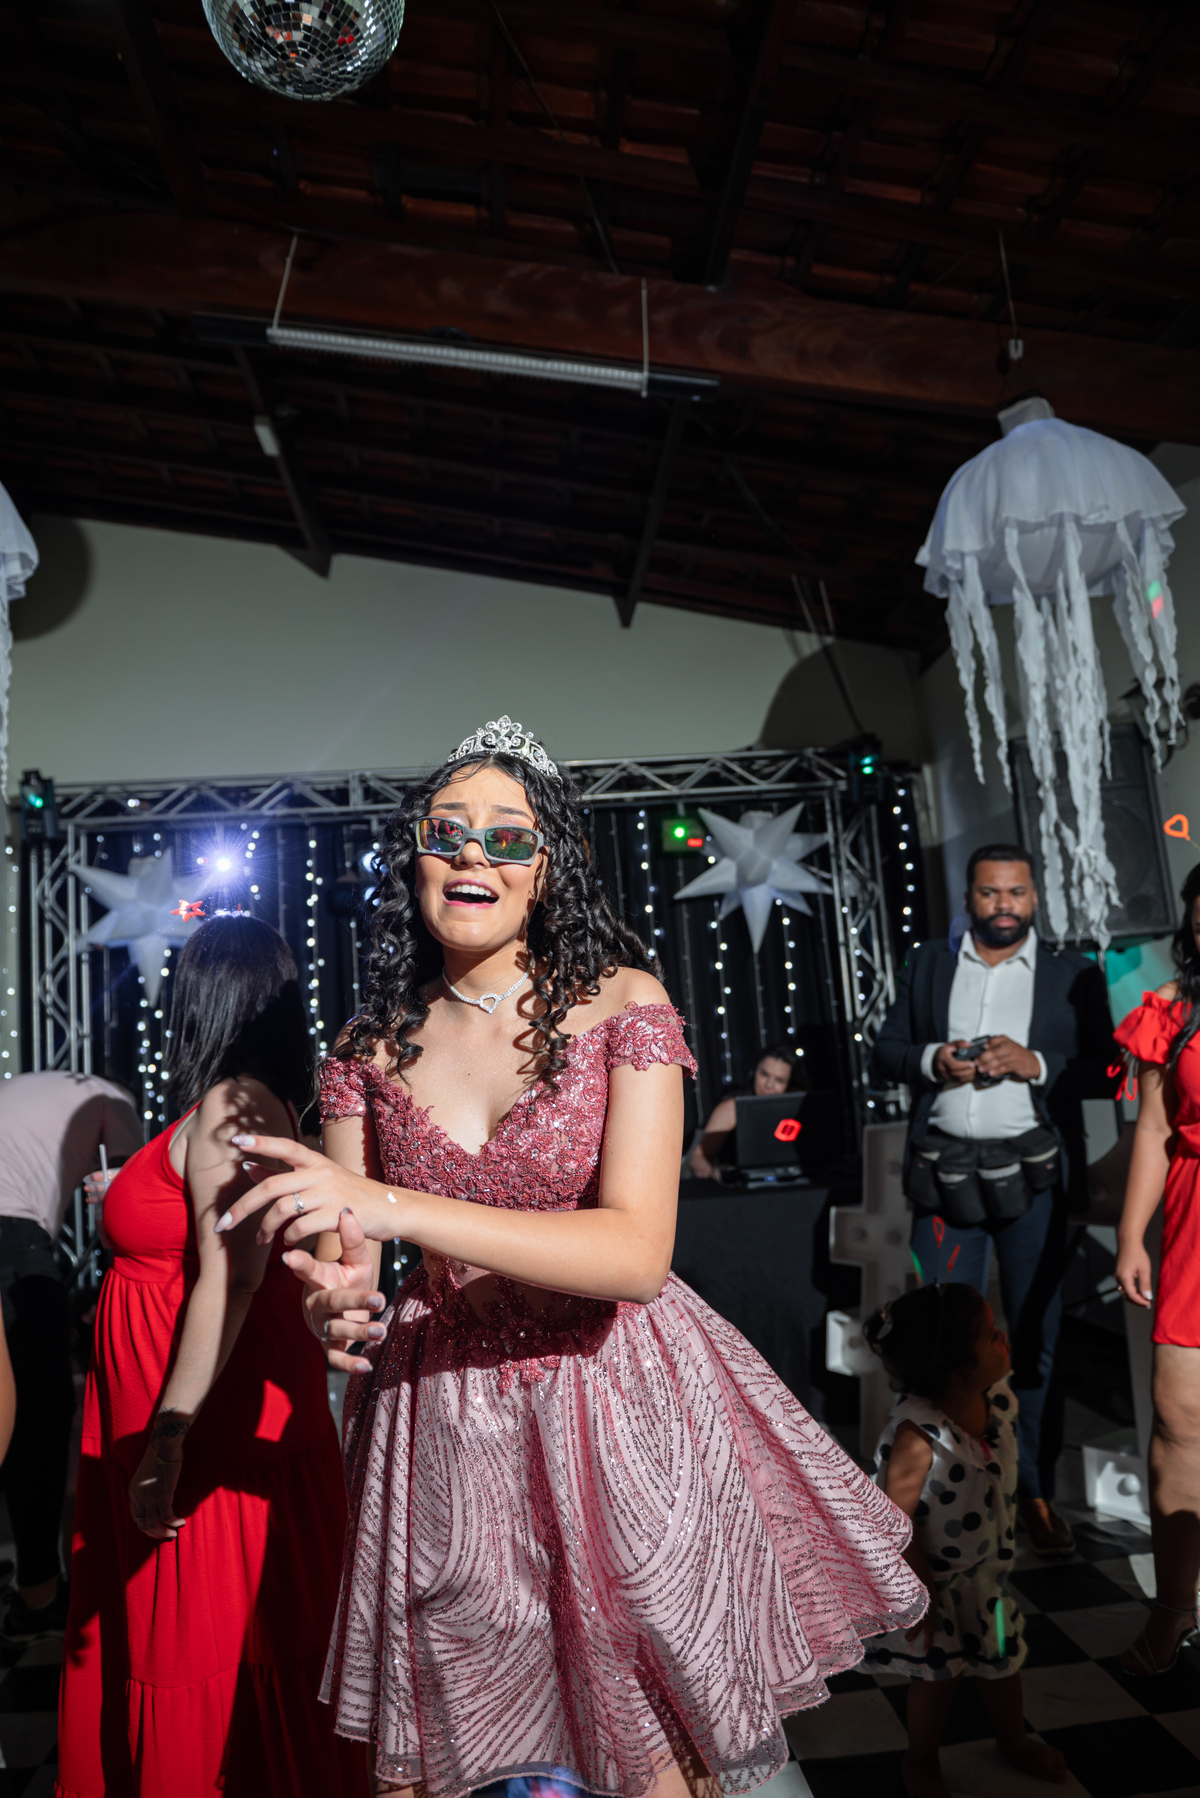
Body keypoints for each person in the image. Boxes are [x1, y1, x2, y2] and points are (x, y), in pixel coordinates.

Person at [220, 716, 927, 1798]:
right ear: (415, 857)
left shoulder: (626, 1004)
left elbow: (635, 1253)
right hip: (443, 1416)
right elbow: (349, 1254)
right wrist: (338, 1301)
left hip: (616, 1396)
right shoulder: (367, 1047)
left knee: (651, 1752)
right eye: (448, 831)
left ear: (547, 866)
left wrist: (393, 1207)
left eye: (508, 836)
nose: (474, 853)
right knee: (439, 1751)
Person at [55, 917, 365, 1798]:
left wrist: (169, 1437)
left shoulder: (240, 1103)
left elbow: (231, 1281)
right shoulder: (230, 1107)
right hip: (186, 1427)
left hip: (209, 1435)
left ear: (203, 998)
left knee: (206, 1655)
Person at [870, 844, 1120, 1558]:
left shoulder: (1074, 974)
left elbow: (1108, 1069)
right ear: (969, 899)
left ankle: (1032, 1491)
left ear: (1034, 898)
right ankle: (939, 1494)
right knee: (940, 1338)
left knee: (1035, 1334)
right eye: (989, 893)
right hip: (943, 1180)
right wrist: (933, 1059)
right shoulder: (930, 964)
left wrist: (1037, 1063)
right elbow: (885, 1052)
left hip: (1035, 1180)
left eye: (1015, 892)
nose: (1003, 905)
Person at [863, 1283, 1068, 1798]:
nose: (1004, 1338)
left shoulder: (994, 1399)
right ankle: (921, 1758)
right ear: (959, 1373)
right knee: (938, 1679)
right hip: (935, 1585)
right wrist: (920, 1593)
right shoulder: (919, 1435)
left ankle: (1013, 1740)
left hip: (986, 1578)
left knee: (1002, 1662)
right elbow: (895, 1520)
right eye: (991, 1335)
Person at [0, 1069, 141, 1644]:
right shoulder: (112, 1098)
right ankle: (37, 1597)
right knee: (38, 1419)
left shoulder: (30, 1085)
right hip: (12, 1238)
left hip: (15, 1230)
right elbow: (130, 1195)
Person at [1113, 861, 1200, 1677]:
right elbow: (1152, 1131)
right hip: (1194, 1218)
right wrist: (1131, 1234)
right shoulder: (1171, 1010)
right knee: (1177, 1419)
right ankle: (1174, 1609)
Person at [687, 1040, 804, 1179]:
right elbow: (697, 1159)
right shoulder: (732, 1108)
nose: (769, 1085)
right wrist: (717, 1175)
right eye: (764, 1074)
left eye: (779, 1080)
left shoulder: (798, 1109)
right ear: (754, 1071)